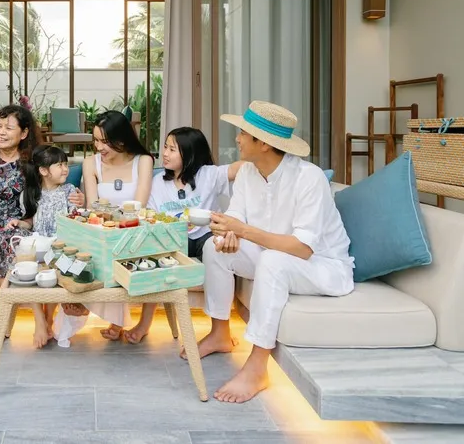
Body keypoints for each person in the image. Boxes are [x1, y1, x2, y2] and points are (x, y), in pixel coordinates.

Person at [193, 100, 354, 404]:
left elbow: (302, 248)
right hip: (272, 256)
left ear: (264, 144)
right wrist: (228, 234)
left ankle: (257, 367)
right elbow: (237, 217)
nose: (237, 139)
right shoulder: (247, 173)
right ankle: (220, 333)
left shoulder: (309, 178)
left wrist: (242, 231)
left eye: (243, 134)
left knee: (273, 260)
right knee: (214, 250)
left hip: (322, 267)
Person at [0, 106, 85, 347]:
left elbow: (52, 187)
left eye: (8, 128)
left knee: (22, 243)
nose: (1, 132)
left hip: (22, 221)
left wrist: (77, 198)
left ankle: (40, 319)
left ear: (23, 133)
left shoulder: (32, 164)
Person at [123, 127, 242, 344]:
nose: (165, 154)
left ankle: (221, 330)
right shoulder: (159, 183)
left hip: (207, 234)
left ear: (189, 153)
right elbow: (152, 216)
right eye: (165, 147)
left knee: (219, 249)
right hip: (175, 239)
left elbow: (240, 168)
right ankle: (145, 323)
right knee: (156, 256)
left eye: (172, 149)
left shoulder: (208, 174)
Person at [56, 110, 154, 343]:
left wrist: (112, 220)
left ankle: (88, 307)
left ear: (122, 139)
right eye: (96, 140)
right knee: (82, 249)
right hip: (102, 230)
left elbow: (139, 206)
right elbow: (92, 206)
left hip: (134, 232)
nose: (99, 147)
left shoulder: (143, 161)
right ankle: (87, 305)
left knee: (115, 251)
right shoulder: (91, 163)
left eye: (105, 141)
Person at [9, 144, 79, 348]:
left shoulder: (69, 191)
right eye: (60, 165)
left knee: (56, 271)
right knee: (28, 268)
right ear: (43, 170)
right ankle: (40, 318)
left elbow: (75, 218)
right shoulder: (30, 194)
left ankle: (48, 319)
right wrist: (19, 223)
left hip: (60, 245)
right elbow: (31, 222)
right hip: (40, 245)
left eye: (65, 164)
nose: (65, 169)